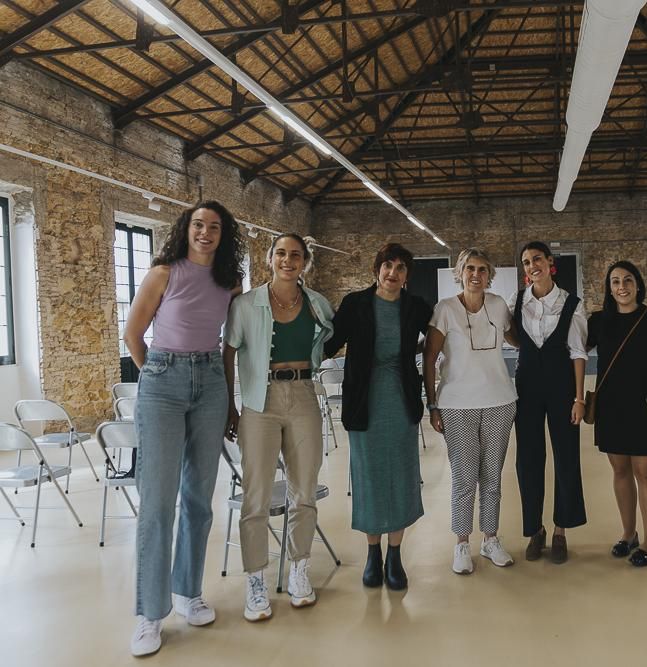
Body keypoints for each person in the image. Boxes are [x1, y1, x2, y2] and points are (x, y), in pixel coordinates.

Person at [124, 202, 244, 656]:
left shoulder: (229, 283)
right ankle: (149, 614)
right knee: (156, 502)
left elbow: (232, 339)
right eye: (198, 225)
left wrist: (231, 400)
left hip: (211, 381)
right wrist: (156, 376)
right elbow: (133, 335)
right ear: (186, 229)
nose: (205, 233)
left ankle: (187, 593)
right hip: (162, 379)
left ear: (223, 235)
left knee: (198, 498)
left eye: (214, 227)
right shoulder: (162, 273)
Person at [224, 233, 334, 620]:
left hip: (303, 395)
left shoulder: (318, 304)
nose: (288, 260)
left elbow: (330, 339)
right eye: (281, 254)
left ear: (305, 261)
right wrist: (229, 404)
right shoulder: (245, 305)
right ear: (270, 258)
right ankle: (255, 578)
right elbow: (229, 351)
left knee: (304, 489)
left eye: (296, 255)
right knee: (256, 495)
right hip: (259, 401)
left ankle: (300, 567)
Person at [325, 243, 432, 591]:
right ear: (377, 269)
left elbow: (439, 338)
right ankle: (373, 554)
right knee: (368, 476)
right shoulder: (356, 304)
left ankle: (396, 555)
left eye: (401, 268)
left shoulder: (415, 307)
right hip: (363, 402)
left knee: (401, 474)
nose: (393, 273)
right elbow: (329, 342)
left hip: (400, 400)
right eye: (388, 265)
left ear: (406, 276)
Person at [424, 248, 517, 575]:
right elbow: (430, 356)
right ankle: (462, 543)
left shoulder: (498, 306)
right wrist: (432, 403)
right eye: (469, 269)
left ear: (488, 275)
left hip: (499, 403)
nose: (475, 275)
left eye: (481, 269)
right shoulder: (445, 309)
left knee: (492, 478)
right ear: (460, 273)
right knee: (465, 478)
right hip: (456, 406)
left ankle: (490, 539)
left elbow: (518, 340)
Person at [586, 261, 647, 566]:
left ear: (638, 284)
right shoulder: (598, 321)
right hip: (611, 406)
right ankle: (628, 534)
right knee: (620, 471)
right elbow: (572, 350)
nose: (622, 287)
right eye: (615, 282)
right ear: (609, 289)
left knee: (645, 473)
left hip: (645, 406)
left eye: (627, 280)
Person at [507, 241, 587, 564]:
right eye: (526, 262)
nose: (531, 266)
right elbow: (513, 337)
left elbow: (579, 353)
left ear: (550, 262)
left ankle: (560, 531)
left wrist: (579, 398)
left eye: (536, 259)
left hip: (561, 386)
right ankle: (534, 530)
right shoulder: (517, 301)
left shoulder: (572, 304)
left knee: (566, 456)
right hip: (526, 387)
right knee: (528, 460)